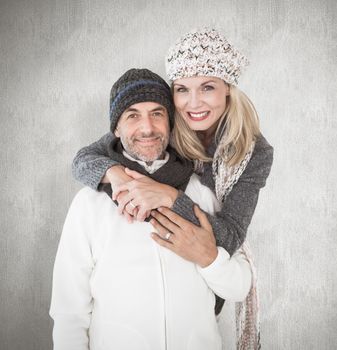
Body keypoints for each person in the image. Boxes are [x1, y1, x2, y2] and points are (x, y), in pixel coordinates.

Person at [72, 28, 273, 349]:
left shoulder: (253, 151)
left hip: (214, 251)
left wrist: (168, 197)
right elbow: (85, 157)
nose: (194, 103)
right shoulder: (165, 123)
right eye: (182, 89)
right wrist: (118, 175)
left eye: (207, 87)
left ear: (228, 90)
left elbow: (231, 237)